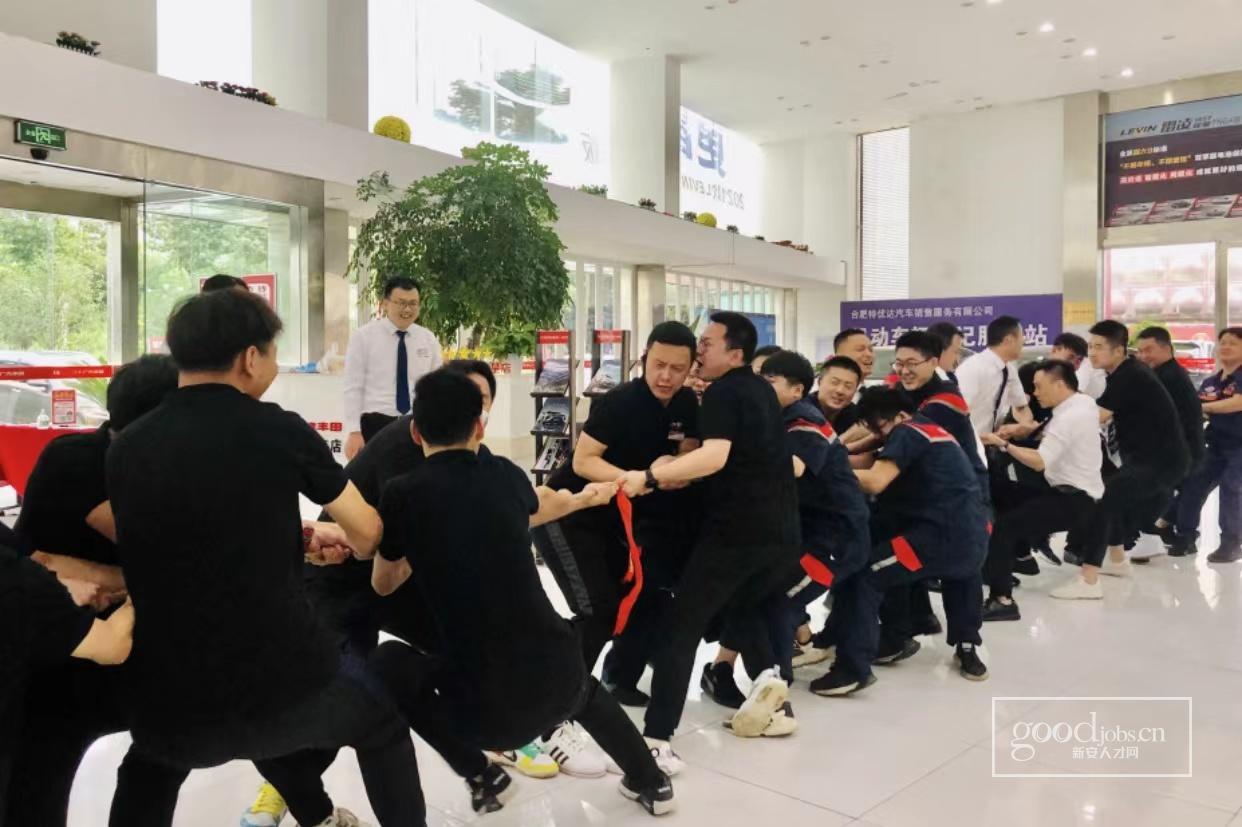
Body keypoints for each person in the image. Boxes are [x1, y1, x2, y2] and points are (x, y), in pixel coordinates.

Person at [106, 288, 424, 827]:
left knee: (148, 769)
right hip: (283, 686)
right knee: (382, 724)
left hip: (170, 696)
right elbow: (368, 533)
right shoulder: (279, 429)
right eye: (273, 355)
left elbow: (192, 537)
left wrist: (293, 541)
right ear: (249, 358)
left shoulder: (127, 447)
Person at [368, 369, 675, 816]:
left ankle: (480, 772)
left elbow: (384, 583)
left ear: (415, 432)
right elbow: (535, 505)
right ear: (479, 427)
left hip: (485, 716)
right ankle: (651, 782)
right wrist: (586, 498)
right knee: (583, 689)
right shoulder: (507, 477)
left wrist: (415, 544)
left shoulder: (402, 493)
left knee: (387, 661)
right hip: (559, 680)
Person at [239, 359, 528, 827]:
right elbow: (400, 542)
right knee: (352, 703)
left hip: (386, 582)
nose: (471, 415)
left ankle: (490, 753)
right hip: (341, 585)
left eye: (481, 404)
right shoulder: (404, 456)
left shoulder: (463, 451)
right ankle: (288, 790)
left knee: (424, 669)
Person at [616, 312, 800, 767]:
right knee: (743, 607)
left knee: (681, 628)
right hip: (779, 533)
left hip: (735, 533)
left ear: (735, 354)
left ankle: (657, 739)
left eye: (707, 343)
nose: (700, 350)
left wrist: (651, 477)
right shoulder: (759, 390)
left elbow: (715, 456)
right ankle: (772, 692)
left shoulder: (723, 392)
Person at [6, 355, 178, 827]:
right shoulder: (78, 460)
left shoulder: (157, 464)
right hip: (61, 653)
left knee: (167, 748)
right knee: (38, 780)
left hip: (118, 644)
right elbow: (163, 554)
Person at [532, 322, 701, 718]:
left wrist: (674, 465)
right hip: (568, 513)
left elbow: (689, 452)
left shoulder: (685, 403)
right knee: (598, 609)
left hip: (615, 522)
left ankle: (609, 681)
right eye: (658, 364)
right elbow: (583, 461)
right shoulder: (620, 402)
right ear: (644, 359)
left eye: (677, 368)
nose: (666, 376)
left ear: (691, 368)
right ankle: (558, 699)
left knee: (635, 599)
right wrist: (641, 478)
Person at [852, 387, 990, 681]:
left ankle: (872, 650)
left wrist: (829, 472)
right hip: (971, 532)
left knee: (868, 572)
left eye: (878, 426)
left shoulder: (907, 432)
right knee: (960, 578)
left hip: (937, 538)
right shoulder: (931, 430)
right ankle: (966, 647)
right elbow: (868, 460)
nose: (877, 433)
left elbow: (875, 480)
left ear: (900, 416)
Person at [0, 545, 136, 827]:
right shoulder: (18, 583)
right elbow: (113, 644)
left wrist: (57, 589)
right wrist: (148, 587)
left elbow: (41, 562)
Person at [1053, 320, 1189, 597]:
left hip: (1161, 463)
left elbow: (1098, 416)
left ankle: (1089, 581)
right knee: (1109, 497)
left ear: (1118, 350)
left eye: (1098, 347)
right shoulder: (1121, 374)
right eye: (1090, 346)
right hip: (1146, 459)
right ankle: (1117, 562)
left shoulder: (1131, 375)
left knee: (1103, 500)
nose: (1092, 353)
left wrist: (1050, 431)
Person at [979, 361, 1104, 611]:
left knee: (1005, 528)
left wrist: (1004, 444)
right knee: (1001, 492)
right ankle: (1010, 561)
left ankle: (1002, 600)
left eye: (1038, 386)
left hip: (1074, 500)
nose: (1034, 393)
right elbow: (1053, 436)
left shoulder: (1069, 417)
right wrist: (1021, 430)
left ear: (1059, 385)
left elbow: (1039, 461)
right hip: (1073, 492)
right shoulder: (1083, 403)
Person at [343, 275, 442, 458]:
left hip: (416, 426)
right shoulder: (363, 337)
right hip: (374, 424)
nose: (407, 309)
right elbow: (353, 387)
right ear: (385, 304)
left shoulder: (428, 339)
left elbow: (437, 388)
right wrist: (354, 431)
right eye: (401, 303)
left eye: (413, 303)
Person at [1167, 327, 1242, 562]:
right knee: (1194, 483)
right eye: (1223, 342)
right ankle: (1185, 536)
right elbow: (1197, 412)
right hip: (1216, 443)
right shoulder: (1211, 381)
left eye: (1233, 343)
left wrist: (1201, 408)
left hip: (1239, 446)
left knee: (1231, 488)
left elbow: (1237, 403)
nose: (1226, 347)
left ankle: (1231, 543)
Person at [1136, 326, 1206, 548]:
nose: (1143, 356)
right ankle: (1170, 531)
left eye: (1149, 350)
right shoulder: (1165, 373)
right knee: (1184, 492)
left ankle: (1184, 537)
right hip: (1179, 446)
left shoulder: (1168, 376)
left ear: (1167, 348)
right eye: (1140, 351)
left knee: (1186, 494)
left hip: (1183, 447)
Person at [955, 315, 1033, 437]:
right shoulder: (972, 368)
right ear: (1008, 340)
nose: (1024, 341)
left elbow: (1020, 406)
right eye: (1022, 336)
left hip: (991, 442)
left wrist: (1025, 425)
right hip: (967, 442)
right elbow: (956, 412)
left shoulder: (1009, 370)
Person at [816, 356, 866, 435]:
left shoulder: (857, 416)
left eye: (848, 386)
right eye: (834, 382)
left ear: (855, 390)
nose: (840, 391)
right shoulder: (802, 413)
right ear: (819, 382)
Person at [1051, 332, 1106, 399]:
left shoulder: (1085, 369)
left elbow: (1073, 396)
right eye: (1070, 357)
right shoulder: (1043, 374)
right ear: (1054, 350)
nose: (1074, 363)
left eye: (1079, 360)